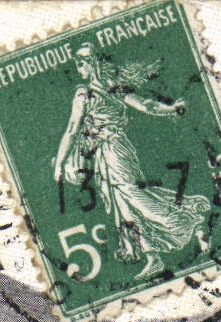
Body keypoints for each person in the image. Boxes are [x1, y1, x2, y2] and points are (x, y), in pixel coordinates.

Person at [52, 43, 211, 280]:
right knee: (124, 206)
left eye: (83, 61)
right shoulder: (110, 90)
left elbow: (72, 130)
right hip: (105, 155)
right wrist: (170, 109)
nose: (79, 66)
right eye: (77, 61)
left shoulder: (88, 94)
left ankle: (191, 223)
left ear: (95, 63)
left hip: (114, 151)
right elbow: (144, 105)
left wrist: (59, 165)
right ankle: (153, 258)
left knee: (137, 198)